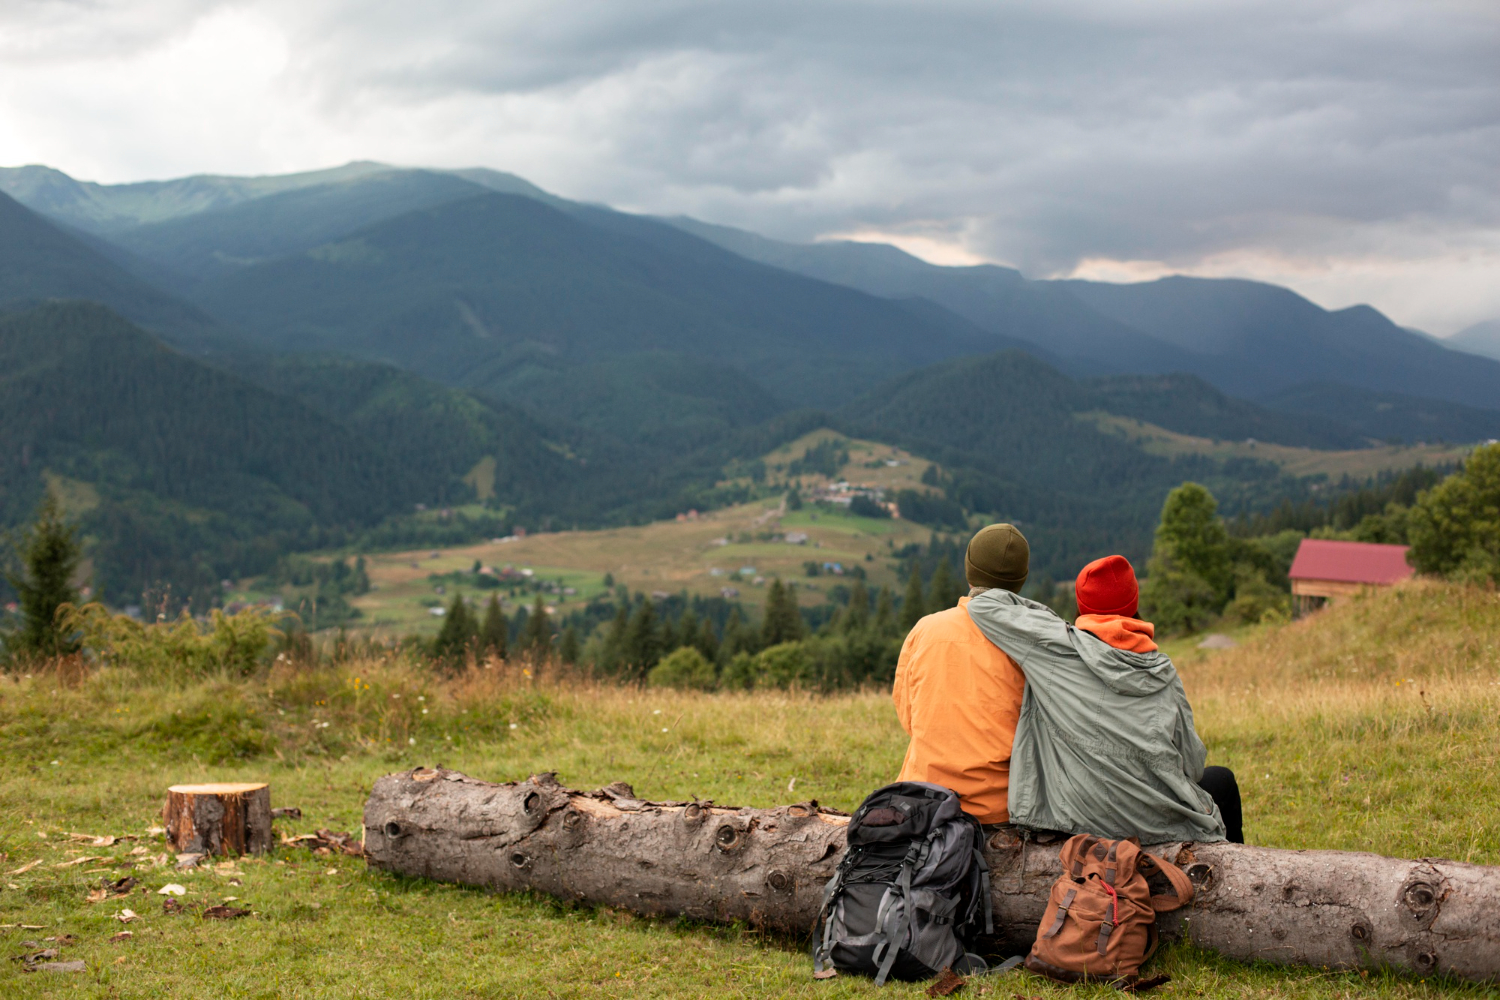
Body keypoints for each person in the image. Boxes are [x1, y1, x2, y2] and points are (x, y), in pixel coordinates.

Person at [965, 554, 1241, 844]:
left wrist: (1056, 624)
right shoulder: (1163, 673)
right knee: (1222, 780)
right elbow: (1193, 767)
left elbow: (983, 605)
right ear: (1134, 603)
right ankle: (1234, 864)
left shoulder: (1054, 651)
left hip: (1075, 819)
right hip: (1154, 825)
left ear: (1083, 606)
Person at [891, 523, 1031, 826]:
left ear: (969, 570)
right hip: (1004, 808)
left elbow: (908, 717)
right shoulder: (1036, 639)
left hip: (923, 801)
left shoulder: (927, 629)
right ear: (1021, 579)